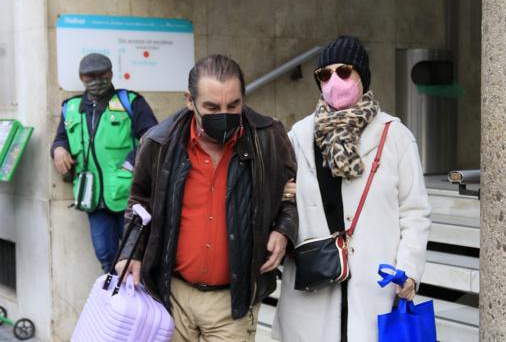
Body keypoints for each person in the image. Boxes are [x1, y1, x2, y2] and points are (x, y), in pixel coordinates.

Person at [115, 54, 298, 342]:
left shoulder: (268, 137)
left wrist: (283, 229)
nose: (224, 114)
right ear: (190, 100)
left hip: (234, 302)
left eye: (233, 105)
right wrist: (130, 252)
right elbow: (139, 201)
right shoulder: (158, 142)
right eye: (212, 107)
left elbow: (292, 192)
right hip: (171, 295)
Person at [272, 36, 431, 341]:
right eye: (325, 74)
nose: (334, 81)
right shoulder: (300, 135)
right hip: (315, 283)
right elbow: (282, 200)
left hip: (376, 283)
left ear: (362, 76)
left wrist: (409, 269)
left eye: (344, 71)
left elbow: (415, 212)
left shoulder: (394, 135)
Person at [51, 53, 158, 273]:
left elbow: (152, 138)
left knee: (139, 257)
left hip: (128, 195)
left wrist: (130, 165)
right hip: (92, 199)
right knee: (106, 258)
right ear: (81, 78)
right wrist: (58, 149)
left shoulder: (130, 102)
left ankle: (144, 301)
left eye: (102, 74)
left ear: (110, 73)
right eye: (90, 76)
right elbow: (61, 138)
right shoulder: (70, 107)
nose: (97, 79)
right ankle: (114, 304)